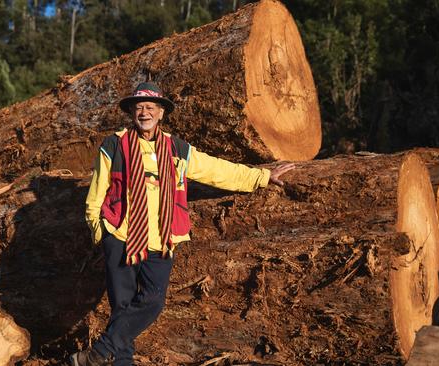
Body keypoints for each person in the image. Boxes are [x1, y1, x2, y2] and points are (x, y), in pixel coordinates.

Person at [71, 81, 295, 366]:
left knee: (152, 302)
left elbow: (215, 169)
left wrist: (260, 177)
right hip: (121, 234)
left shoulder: (176, 148)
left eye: (151, 107)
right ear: (131, 112)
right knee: (122, 308)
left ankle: (98, 354)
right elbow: (97, 192)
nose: (144, 113)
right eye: (139, 107)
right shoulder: (114, 145)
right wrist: (100, 231)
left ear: (162, 113)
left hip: (162, 239)